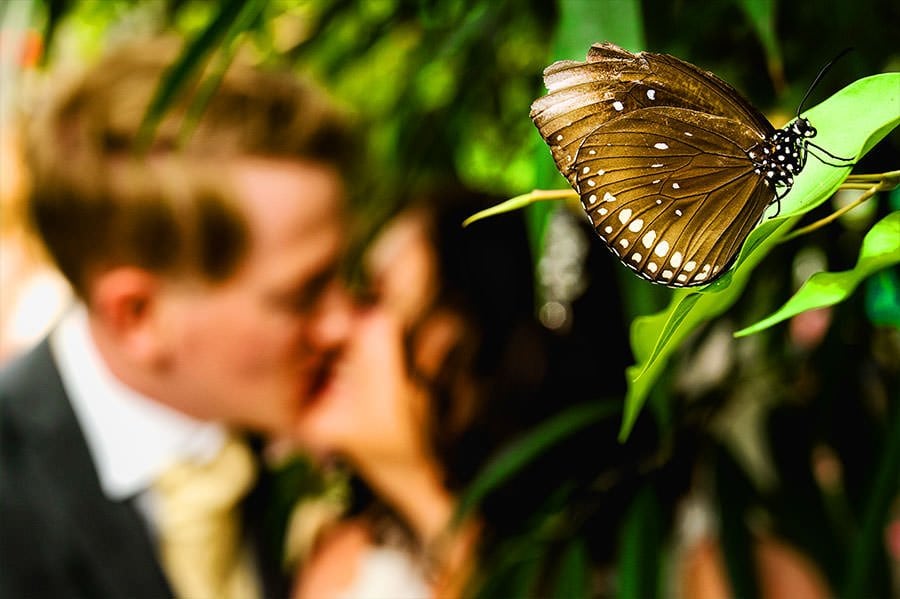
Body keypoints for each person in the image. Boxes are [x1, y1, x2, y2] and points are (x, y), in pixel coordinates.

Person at [0, 37, 357, 598]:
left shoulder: (325, 429)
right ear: (138, 317)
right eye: (301, 295)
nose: (343, 324)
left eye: (345, 274)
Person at [292, 192, 562, 598]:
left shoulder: (590, 573)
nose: (335, 330)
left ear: (458, 348)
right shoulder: (340, 554)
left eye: (374, 297)